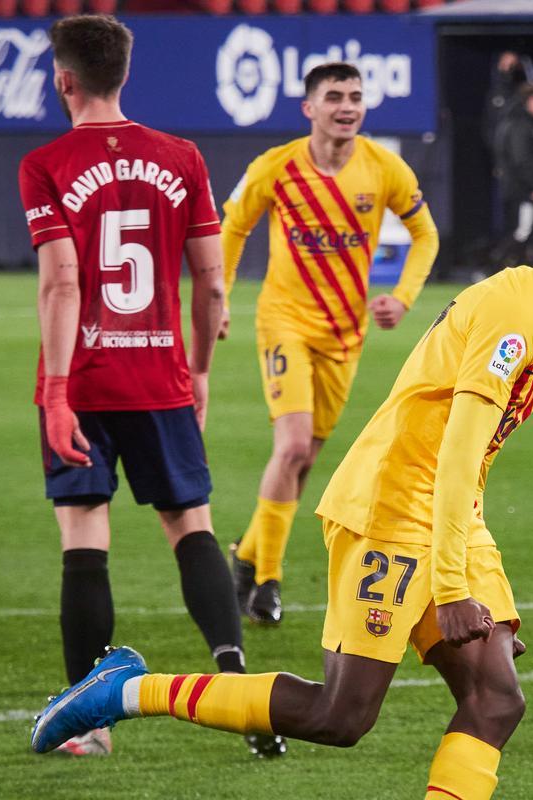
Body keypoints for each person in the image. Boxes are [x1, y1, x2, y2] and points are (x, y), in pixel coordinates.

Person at [29, 184, 533, 800]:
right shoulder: (518, 317)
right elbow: (457, 452)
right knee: (341, 716)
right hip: (393, 509)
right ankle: (126, 689)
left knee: (495, 700)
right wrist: (452, 589)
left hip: (447, 510)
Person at [17, 14, 279, 758]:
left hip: (85, 378)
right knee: (189, 525)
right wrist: (197, 369)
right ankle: (237, 686)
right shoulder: (182, 156)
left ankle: (87, 724)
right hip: (160, 377)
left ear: (63, 79)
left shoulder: (45, 164)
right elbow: (211, 281)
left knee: (84, 536)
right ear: (123, 75)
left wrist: (61, 389)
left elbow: (63, 281)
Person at [221, 62, 439, 625]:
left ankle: (245, 556)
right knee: (291, 447)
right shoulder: (276, 167)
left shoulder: (383, 168)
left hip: (344, 335)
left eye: (356, 97)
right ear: (309, 108)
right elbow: (232, 227)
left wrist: (404, 296)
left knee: (306, 458)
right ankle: (266, 582)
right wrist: (218, 296)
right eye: (335, 96)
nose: (348, 106)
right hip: (284, 322)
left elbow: (425, 234)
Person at [489, 83, 533, 272]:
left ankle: (505, 272)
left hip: (517, 188)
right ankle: (490, 269)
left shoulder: (519, 122)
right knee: (522, 232)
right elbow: (521, 160)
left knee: (525, 233)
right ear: (530, 100)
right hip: (520, 190)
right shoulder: (522, 125)